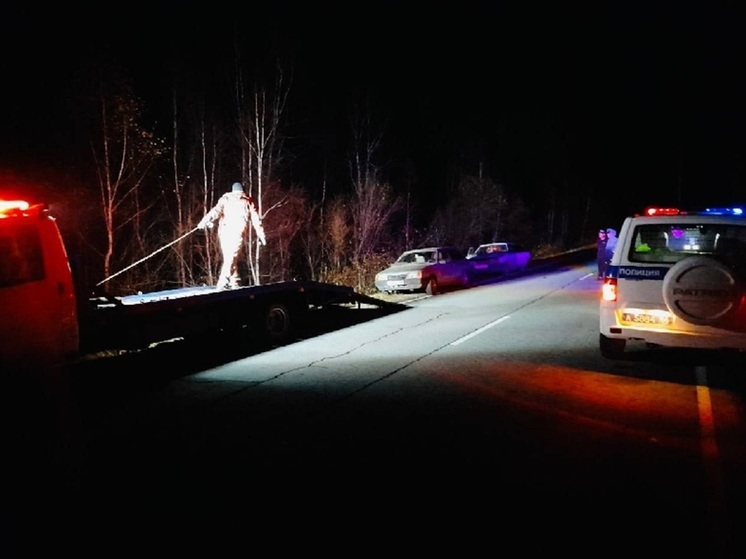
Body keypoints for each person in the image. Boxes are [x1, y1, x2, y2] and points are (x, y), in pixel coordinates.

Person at [197, 182, 266, 289]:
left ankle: (234, 282)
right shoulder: (247, 200)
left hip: (224, 232)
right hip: (237, 232)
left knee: (230, 257)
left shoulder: (226, 199)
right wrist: (261, 235)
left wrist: (204, 221)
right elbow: (256, 220)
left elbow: (215, 211)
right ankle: (223, 283)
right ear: (242, 189)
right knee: (231, 257)